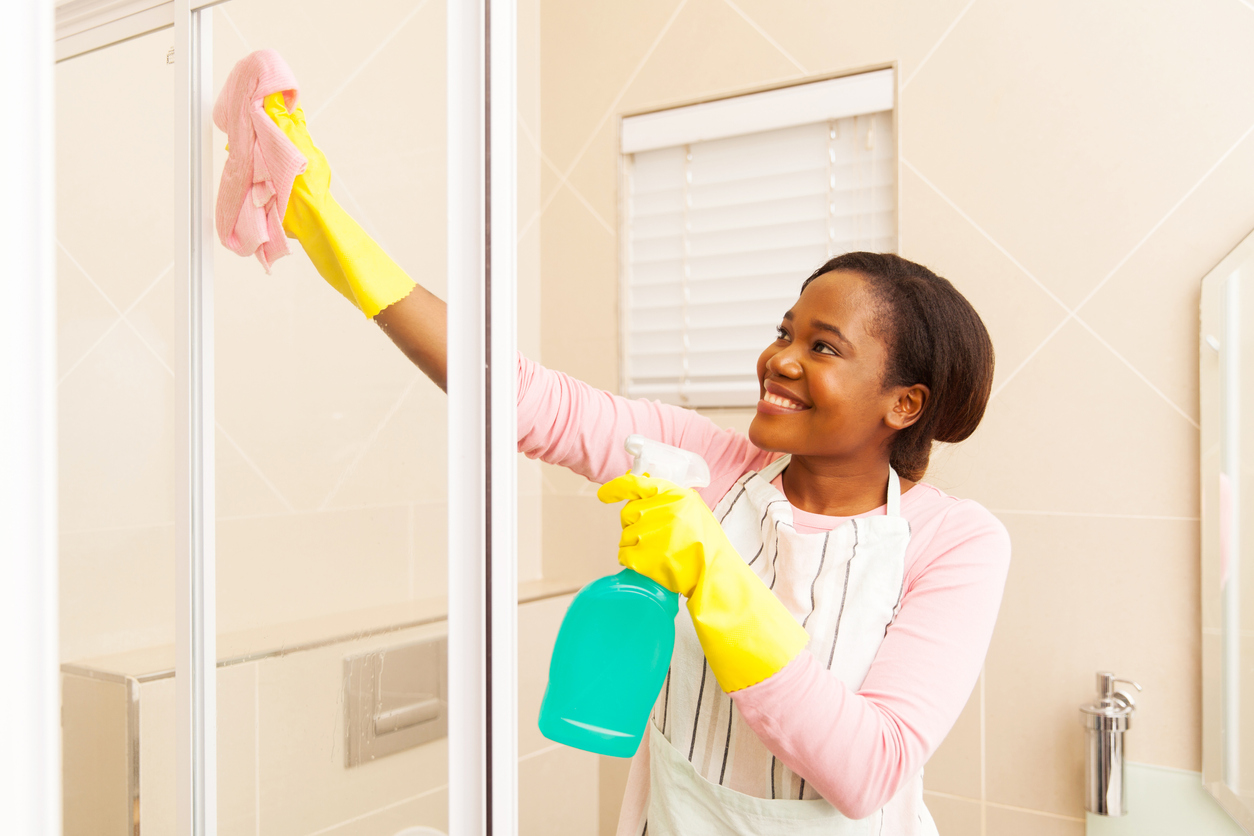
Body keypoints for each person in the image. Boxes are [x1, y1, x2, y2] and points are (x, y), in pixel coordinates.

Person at [262, 95, 1011, 836]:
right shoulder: (713, 464)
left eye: (823, 347)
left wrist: (717, 576)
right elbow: (520, 399)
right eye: (784, 332)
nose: (778, 360)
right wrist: (329, 227)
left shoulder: (955, 544)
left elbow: (868, 769)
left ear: (903, 405)